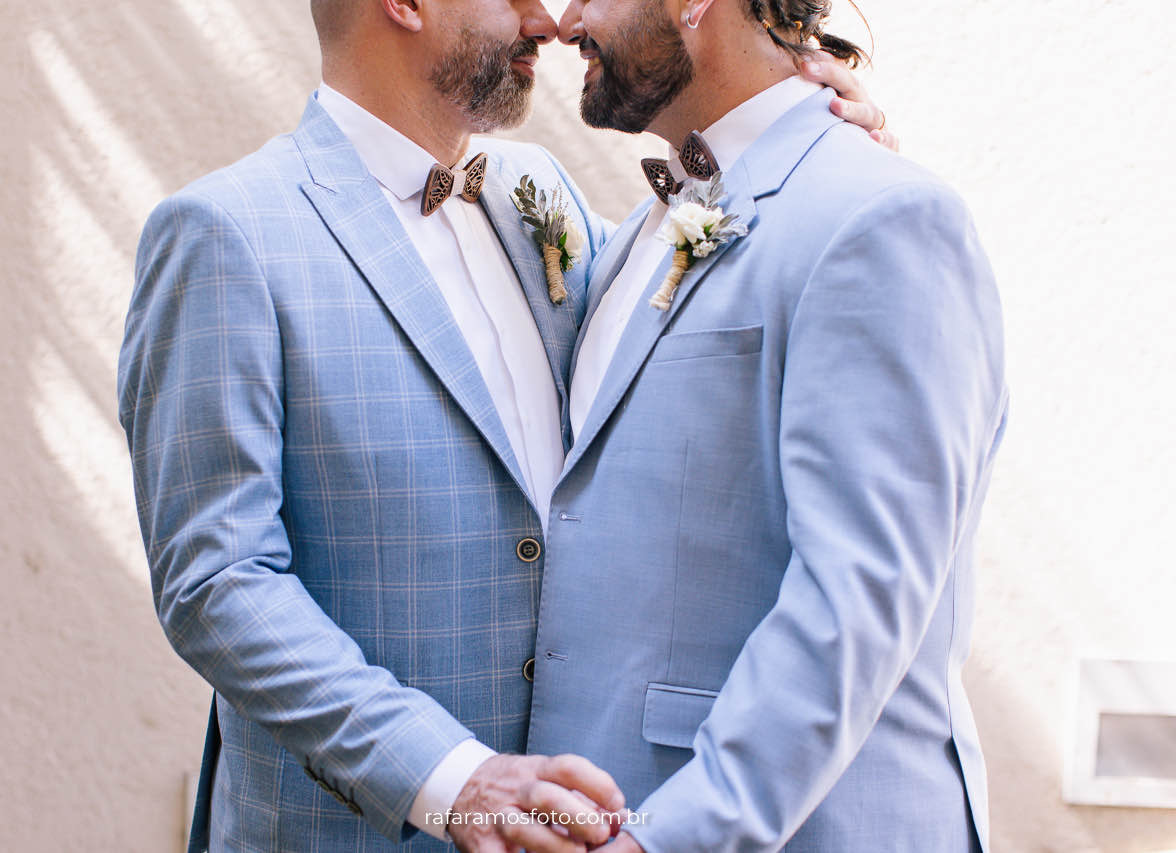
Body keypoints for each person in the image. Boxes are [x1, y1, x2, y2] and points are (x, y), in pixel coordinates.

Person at [117, 1, 888, 850]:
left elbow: (674, 326)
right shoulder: (227, 234)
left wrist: (818, 160)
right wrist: (449, 778)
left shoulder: (536, 198)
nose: (547, 20)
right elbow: (215, 582)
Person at [530, 1, 1008, 851]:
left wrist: (662, 839)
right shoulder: (642, 231)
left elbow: (857, 598)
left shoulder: (879, 217)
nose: (567, 20)